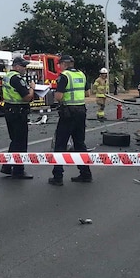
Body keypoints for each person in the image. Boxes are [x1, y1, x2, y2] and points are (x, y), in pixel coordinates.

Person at [48, 54, 93, 186]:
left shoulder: (64, 76)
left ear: (63, 64)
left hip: (68, 113)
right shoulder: (81, 75)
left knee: (60, 144)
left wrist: (54, 93)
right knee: (80, 144)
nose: (59, 67)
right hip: (81, 111)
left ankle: (58, 176)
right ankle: (86, 173)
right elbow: (88, 94)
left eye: (59, 64)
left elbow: (59, 97)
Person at [0, 56, 36, 179]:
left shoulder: (7, 76)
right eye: (23, 66)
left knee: (15, 141)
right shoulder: (16, 78)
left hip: (10, 110)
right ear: (16, 66)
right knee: (21, 142)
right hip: (18, 112)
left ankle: (7, 166)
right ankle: (18, 170)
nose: (25, 69)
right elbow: (26, 97)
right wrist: (32, 88)